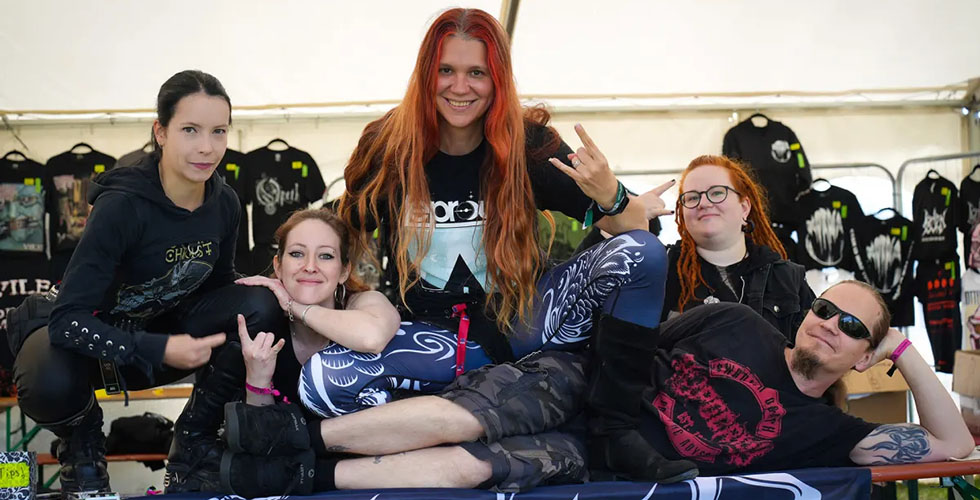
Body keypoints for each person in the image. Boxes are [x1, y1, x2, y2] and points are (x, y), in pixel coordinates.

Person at [214, 7, 687, 497]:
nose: (460, 87)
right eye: (447, 70)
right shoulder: (388, 143)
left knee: (643, 254)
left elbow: (640, 229)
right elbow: (341, 228)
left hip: (522, 325)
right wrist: (288, 280)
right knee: (323, 382)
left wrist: (610, 195)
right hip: (428, 340)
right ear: (427, 74)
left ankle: (613, 433)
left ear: (497, 78)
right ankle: (482, 433)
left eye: (476, 72)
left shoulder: (529, 144)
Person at [5, 70, 282, 495]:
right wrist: (160, 347)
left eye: (218, 131)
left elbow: (219, 285)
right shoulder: (122, 206)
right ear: (161, 132)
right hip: (90, 345)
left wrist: (265, 286)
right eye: (190, 130)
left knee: (260, 306)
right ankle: (82, 451)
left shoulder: (223, 201)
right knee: (47, 371)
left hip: (160, 342)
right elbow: (66, 322)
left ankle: (194, 444)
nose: (207, 147)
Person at [600, 280, 974, 478]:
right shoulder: (735, 320)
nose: (829, 324)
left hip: (605, 475)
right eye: (825, 309)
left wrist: (900, 348)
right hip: (588, 406)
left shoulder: (828, 431)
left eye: (850, 325)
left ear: (864, 358)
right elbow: (629, 346)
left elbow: (954, 443)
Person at [231, 208, 403, 415]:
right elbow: (261, 434)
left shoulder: (364, 302)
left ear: (344, 271)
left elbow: (371, 338)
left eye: (326, 256)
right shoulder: (261, 320)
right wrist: (258, 380)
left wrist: (292, 306)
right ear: (278, 267)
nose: (310, 266)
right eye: (297, 254)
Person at [663, 155, 814, 341]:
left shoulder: (788, 278)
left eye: (717, 192)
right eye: (692, 197)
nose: (703, 203)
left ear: (744, 207)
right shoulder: (660, 269)